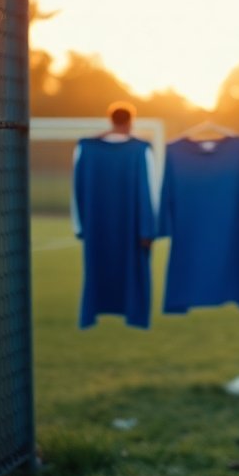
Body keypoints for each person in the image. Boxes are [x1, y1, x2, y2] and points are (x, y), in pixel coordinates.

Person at [71, 101, 157, 329]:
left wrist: (79, 226)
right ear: (130, 121)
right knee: (133, 273)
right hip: (133, 227)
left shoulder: (85, 148)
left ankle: (92, 314)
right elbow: (150, 189)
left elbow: (76, 189)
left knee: (96, 271)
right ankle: (133, 315)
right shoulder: (141, 149)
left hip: (96, 226)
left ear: (111, 120)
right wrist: (148, 228)